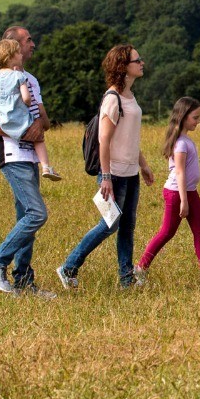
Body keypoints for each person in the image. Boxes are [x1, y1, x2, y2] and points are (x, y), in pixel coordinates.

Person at [57, 45, 155, 289]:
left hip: (130, 173)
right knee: (110, 224)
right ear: (123, 66)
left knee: (127, 226)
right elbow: (104, 140)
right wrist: (106, 177)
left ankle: (126, 278)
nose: (142, 63)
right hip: (114, 174)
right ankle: (68, 267)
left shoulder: (130, 96)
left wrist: (143, 166)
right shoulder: (113, 98)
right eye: (137, 60)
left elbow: (129, 138)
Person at [0, 25, 56, 298]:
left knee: (26, 219)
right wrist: (22, 131)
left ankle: (23, 281)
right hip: (12, 155)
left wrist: (39, 124)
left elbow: (44, 121)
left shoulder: (30, 79)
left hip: (31, 156)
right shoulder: (0, 79)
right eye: (28, 40)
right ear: (13, 45)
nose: (33, 44)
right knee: (37, 214)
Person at [133, 97, 200, 284]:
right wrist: (184, 201)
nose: (198, 121)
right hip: (177, 194)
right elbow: (180, 172)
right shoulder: (181, 144)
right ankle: (140, 267)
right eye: (195, 117)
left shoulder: (186, 140)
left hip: (190, 191)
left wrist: (188, 196)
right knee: (167, 232)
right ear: (183, 117)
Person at [0, 38, 60, 194]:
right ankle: (46, 167)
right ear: (11, 57)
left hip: (0, 119)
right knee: (38, 138)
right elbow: (27, 99)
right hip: (18, 119)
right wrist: (26, 102)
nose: (21, 55)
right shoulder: (19, 76)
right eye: (19, 53)